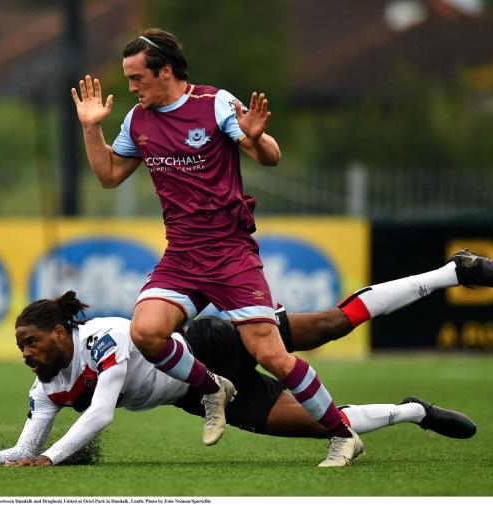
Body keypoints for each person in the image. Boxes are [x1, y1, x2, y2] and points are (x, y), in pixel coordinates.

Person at [0, 251, 493, 468]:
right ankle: (413, 412)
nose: (27, 355)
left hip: (212, 344)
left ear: (60, 332)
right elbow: (26, 450)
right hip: (197, 396)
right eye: (20, 348)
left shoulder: (101, 337)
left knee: (330, 324)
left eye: (32, 343)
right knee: (328, 425)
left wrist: (49, 463)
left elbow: (99, 416)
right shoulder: (45, 387)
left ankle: (451, 271)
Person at [71, 27, 354, 465]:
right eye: (128, 79)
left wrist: (257, 137)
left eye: (137, 78)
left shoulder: (215, 103)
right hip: (182, 255)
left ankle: (342, 434)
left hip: (229, 253)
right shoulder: (137, 120)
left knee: (271, 354)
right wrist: (92, 129)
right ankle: (212, 388)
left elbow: (270, 156)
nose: (130, 88)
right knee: (146, 331)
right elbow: (109, 175)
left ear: (165, 71)